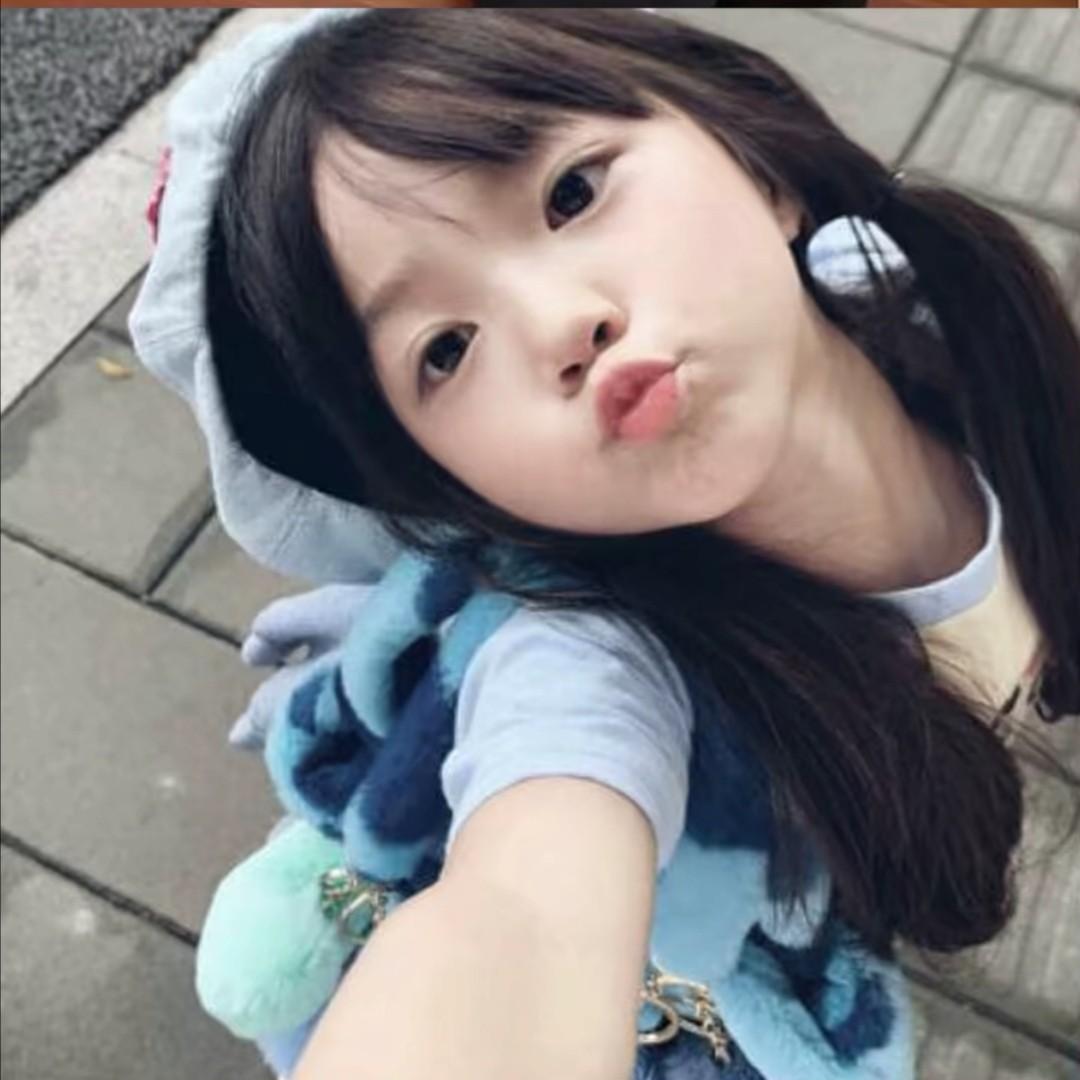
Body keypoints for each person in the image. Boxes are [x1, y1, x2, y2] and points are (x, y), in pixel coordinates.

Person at [129, 9, 1079, 1080]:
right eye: (445, 350)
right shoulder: (585, 667)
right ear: (451, 485)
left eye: (572, 193)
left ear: (759, 166)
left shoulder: (937, 314)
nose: (559, 323)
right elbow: (519, 920)